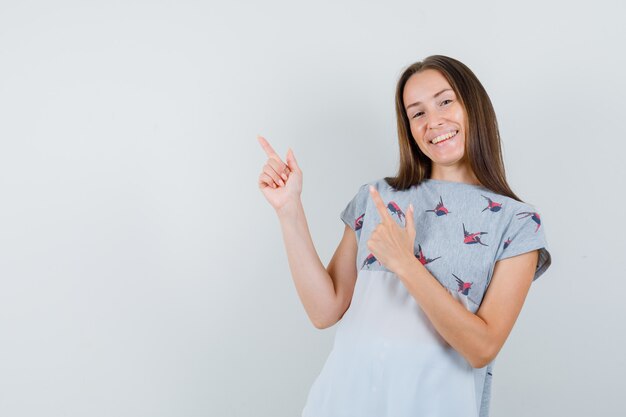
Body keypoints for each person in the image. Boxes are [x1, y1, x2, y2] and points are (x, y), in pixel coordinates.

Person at [256, 54, 552, 417]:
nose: (434, 121)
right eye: (417, 113)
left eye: (445, 101)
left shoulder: (517, 222)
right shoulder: (377, 198)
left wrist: (405, 265)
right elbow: (324, 310)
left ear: (473, 106)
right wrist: (289, 210)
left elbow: (482, 346)